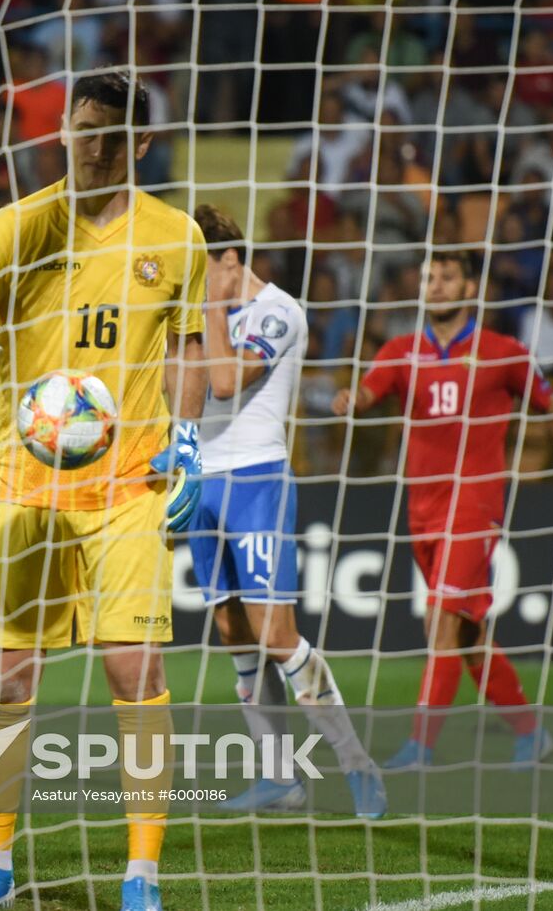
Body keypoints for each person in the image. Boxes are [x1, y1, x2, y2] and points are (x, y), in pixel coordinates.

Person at [0, 69, 207, 911]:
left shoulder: (178, 238)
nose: (87, 145)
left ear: (139, 141)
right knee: (7, 676)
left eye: (104, 132)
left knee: (135, 672)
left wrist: (190, 439)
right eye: (76, 128)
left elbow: (188, 348)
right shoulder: (19, 228)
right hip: (24, 490)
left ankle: (142, 876)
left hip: (130, 487)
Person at [333, 250, 553, 770]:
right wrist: (354, 398)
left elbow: (552, 407)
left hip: (474, 501)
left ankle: (420, 748)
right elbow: (371, 390)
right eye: (429, 278)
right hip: (422, 509)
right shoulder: (400, 350)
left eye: (447, 277)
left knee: (442, 620)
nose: (435, 286)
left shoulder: (503, 352)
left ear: (470, 286)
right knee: (464, 633)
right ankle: (531, 732)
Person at [190, 205, 385, 817]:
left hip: (257, 479)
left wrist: (206, 308)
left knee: (277, 636)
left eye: (199, 269)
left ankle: (355, 762)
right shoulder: (199, 310)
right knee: (232, 632)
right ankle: (279, 776)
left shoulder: (277, 312)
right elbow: (182, 391)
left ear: (228, 260)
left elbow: (224, 383)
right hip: (201, 480)